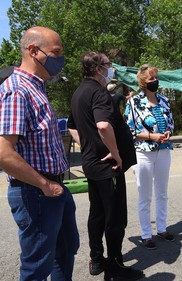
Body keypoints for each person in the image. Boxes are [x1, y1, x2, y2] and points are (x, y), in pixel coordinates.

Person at [0, 26, 79, 280]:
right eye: (56, 53)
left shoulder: (37, 87)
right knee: (37, 268)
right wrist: (45, 184)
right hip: (36, 192)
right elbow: (3, 153)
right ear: (34, 51)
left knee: (65, 250)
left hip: (53, 188)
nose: (61, 60)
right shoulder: (17, 90)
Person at [67, 51, 144, 281]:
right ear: (99, 68)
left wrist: (87, 144)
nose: (113, 69)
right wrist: (115, 152)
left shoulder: (79, 92)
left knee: (97, 213)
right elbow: (102, 125)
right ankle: (114, 267)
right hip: (107, 167)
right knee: (115, 218)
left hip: (92, 164)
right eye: (110, 65)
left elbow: (71, 126)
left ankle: (97, 258)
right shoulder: (99, 93)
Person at [125, 64, 174, 250]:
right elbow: (129, 130)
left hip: (163, 150)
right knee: (144, 196)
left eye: (155, 78)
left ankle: (162, 228)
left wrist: (168, 132)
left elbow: (171, 123)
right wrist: (151, 136)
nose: (154, 81)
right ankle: (146, 234)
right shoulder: (133, 102)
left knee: (162, 193)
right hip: (143, 152)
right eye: (150, 79)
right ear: (142, 83)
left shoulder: (164, 100)